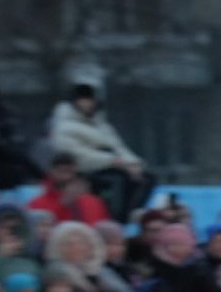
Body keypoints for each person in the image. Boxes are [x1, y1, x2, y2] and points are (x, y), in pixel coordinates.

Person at [48, 84, 153, 219]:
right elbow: (78, 155)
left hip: (115, 166)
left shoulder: (102, 126)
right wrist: (112, 161)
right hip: (89, 172)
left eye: (91, 100)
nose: (89, 104)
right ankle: (117, 217)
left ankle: (132, 214)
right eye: (85, 100)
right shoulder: (64, 127)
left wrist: (133, 164)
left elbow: (119, 147)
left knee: (146, 178)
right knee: (117, 180)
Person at [45, 221, 149, 292]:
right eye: (69, 244)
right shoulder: (56, 271)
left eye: (81, 243)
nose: (76, 248)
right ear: (58, 247)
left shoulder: (99, 270)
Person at [26, 156, 112, 224]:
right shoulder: (37, 204)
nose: (67, 177)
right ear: (51, 173)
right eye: (62, 172)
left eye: (70, 172)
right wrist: (62, 206)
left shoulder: (95, 203)